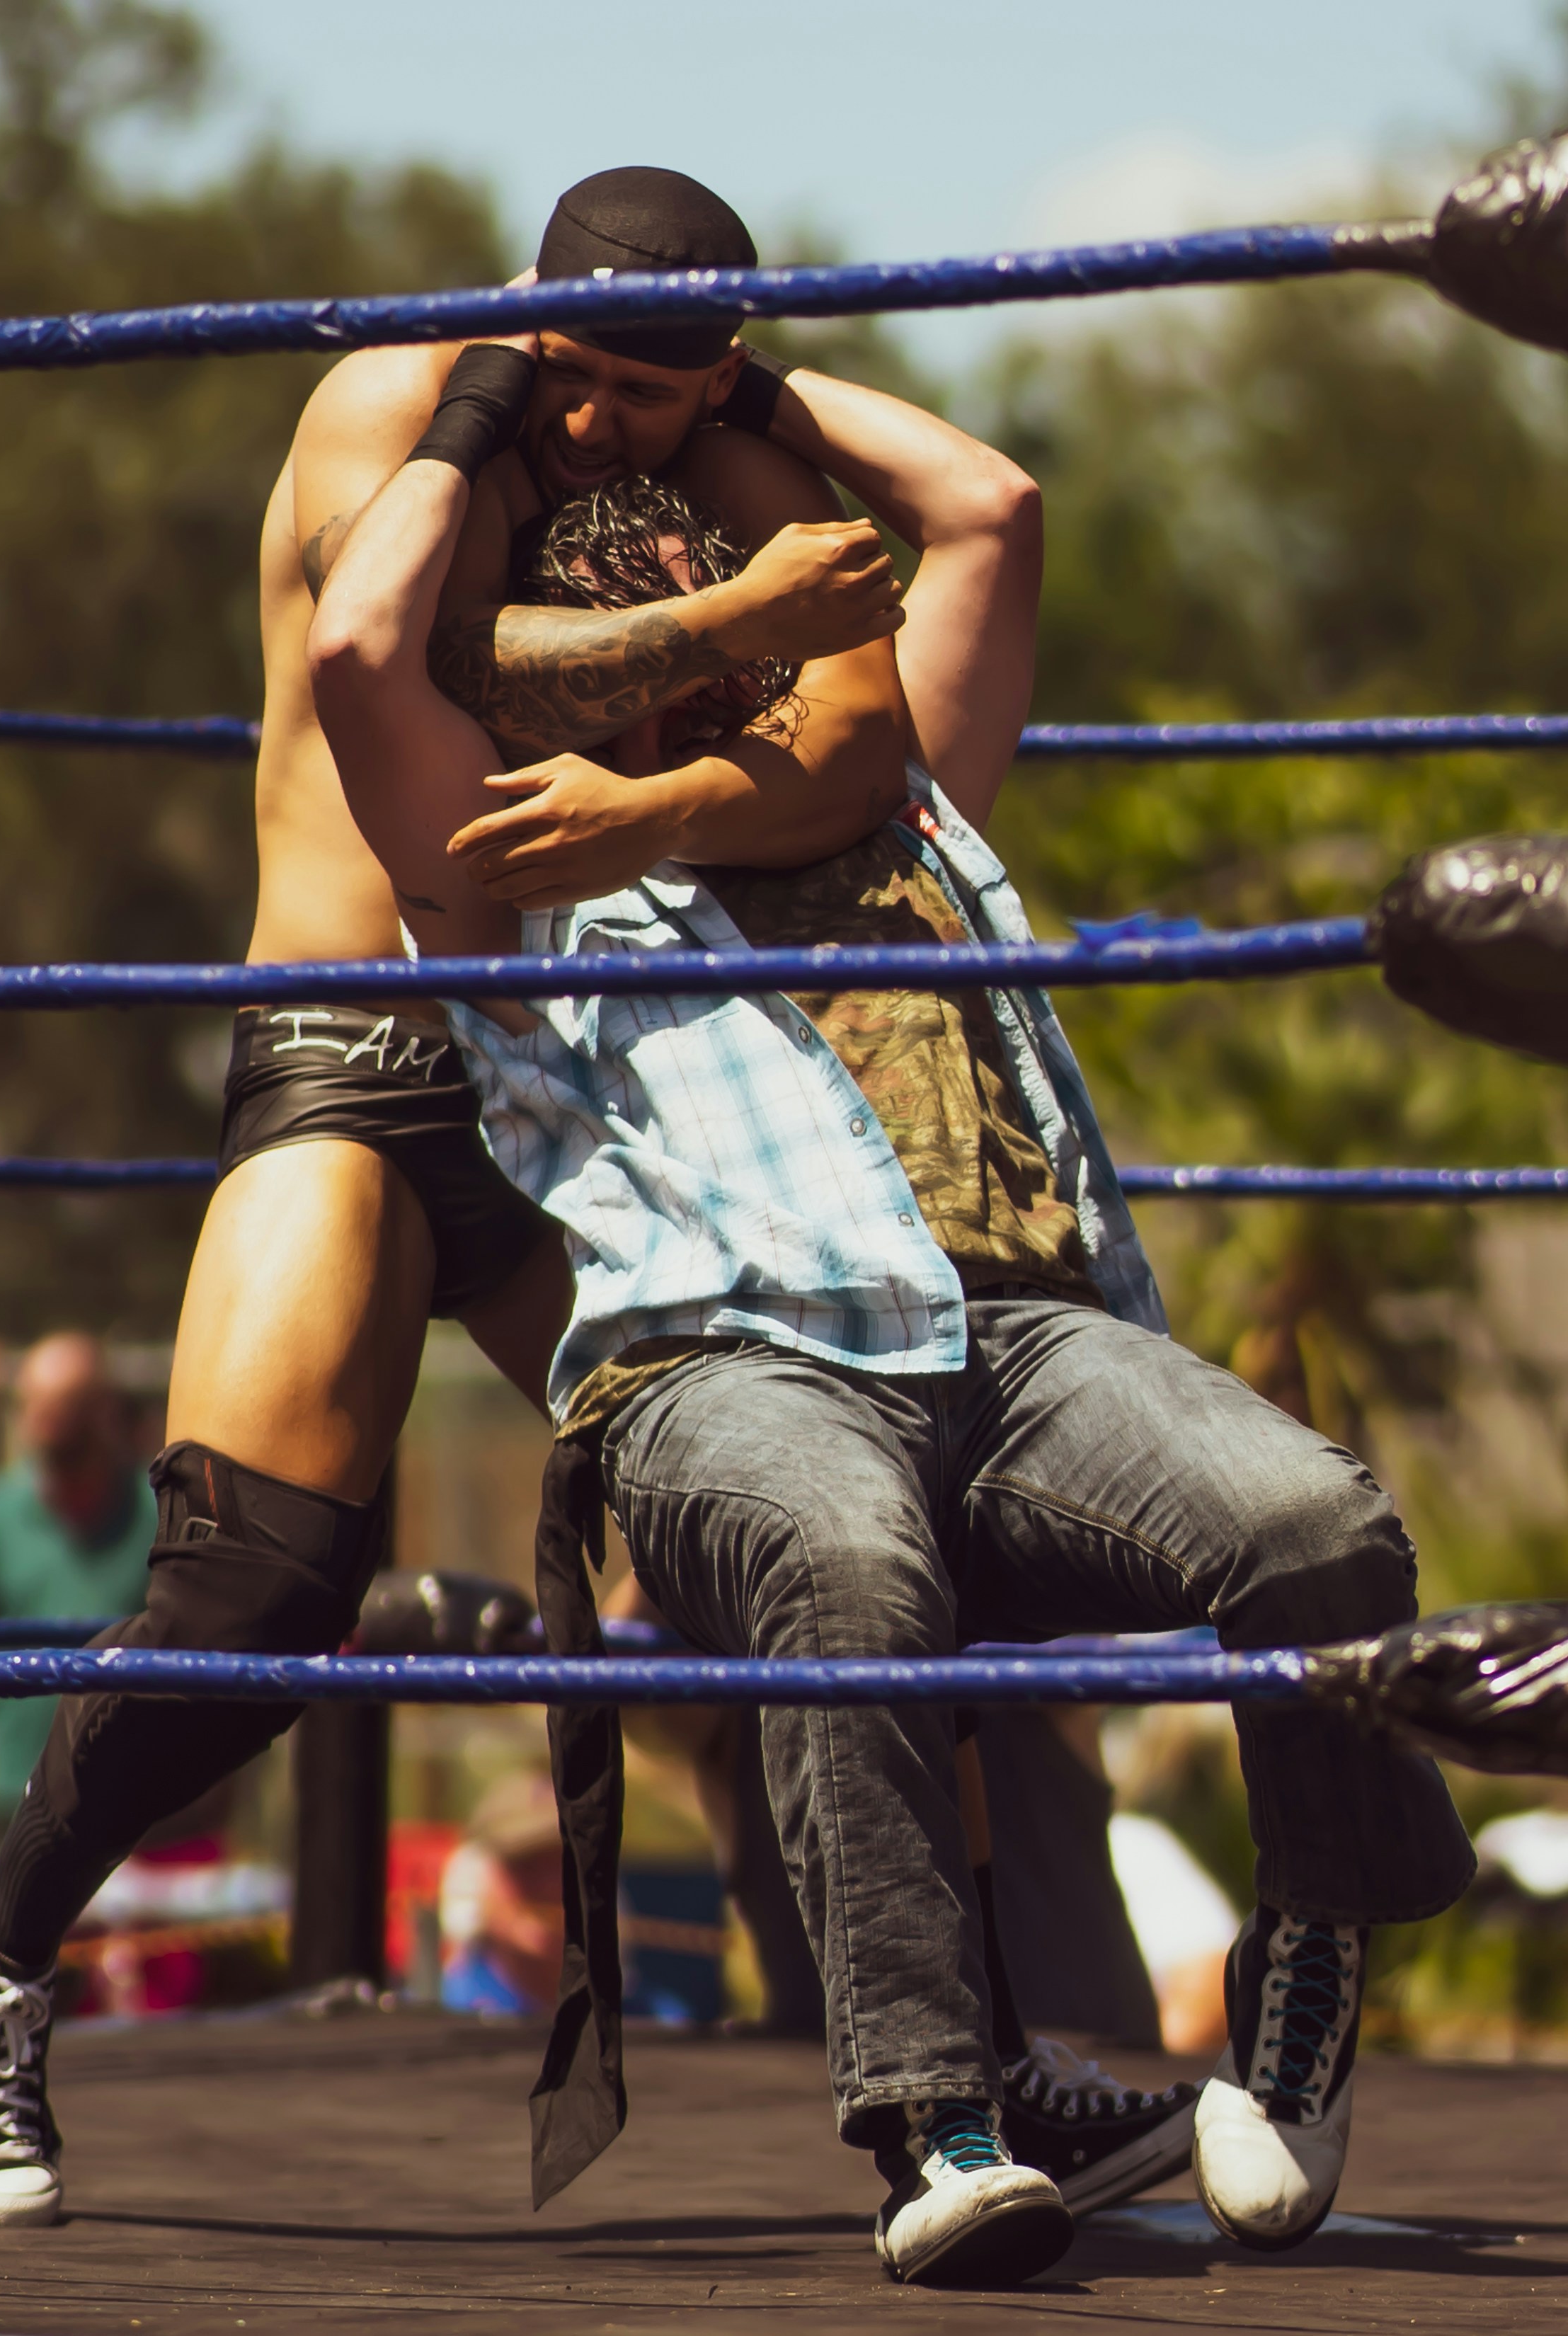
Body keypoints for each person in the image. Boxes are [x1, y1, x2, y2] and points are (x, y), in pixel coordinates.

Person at [307, 315, 1478, 2285]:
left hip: (1013, 1345)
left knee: (1321, 1528)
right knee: (848, 1563)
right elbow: (358, 648)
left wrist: (723, 380)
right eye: (634, 605)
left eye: (706, 586)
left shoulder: (905, 793)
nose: (681, 605)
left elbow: (987, 503)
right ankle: (936, 2121)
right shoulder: (510, 862)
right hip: (725, 1366)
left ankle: (1309, 1949)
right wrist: (492, 402)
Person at [0, 1334, 154, 1849]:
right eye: (38, 1404)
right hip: (13, 1797)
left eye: (68, 1405)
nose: (50, 1420)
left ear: (102, 1411)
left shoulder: (157, 1517)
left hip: (136, 1800)